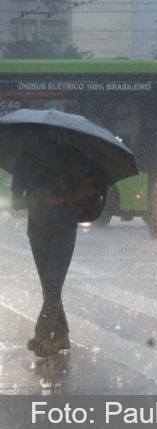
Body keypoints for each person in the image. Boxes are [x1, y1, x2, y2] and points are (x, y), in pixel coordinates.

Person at [11, 127, 96, 358]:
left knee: (52, 284)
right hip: (37, 230)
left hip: (63, 228)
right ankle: (61, 334)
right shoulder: (24, 161)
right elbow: (15, 202)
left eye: (29, 135)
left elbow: (88, 188)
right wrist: (33, 196)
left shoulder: (68, 157)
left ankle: (42, 335)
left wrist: (59, 198)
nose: (26, 138)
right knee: (49, 286)